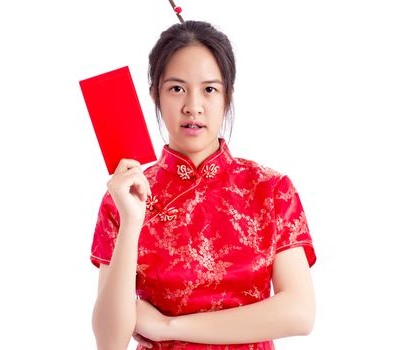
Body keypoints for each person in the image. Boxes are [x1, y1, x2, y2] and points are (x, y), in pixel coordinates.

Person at [90, 20, 317, 350]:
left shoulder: (270, 189)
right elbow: (109, 342)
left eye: (209, 89)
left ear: (227, 96)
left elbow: (299, 313)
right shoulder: (127, 195)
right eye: (177, 88)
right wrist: (131, 222)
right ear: (155, 94)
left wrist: (168, 326)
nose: (192, 106)